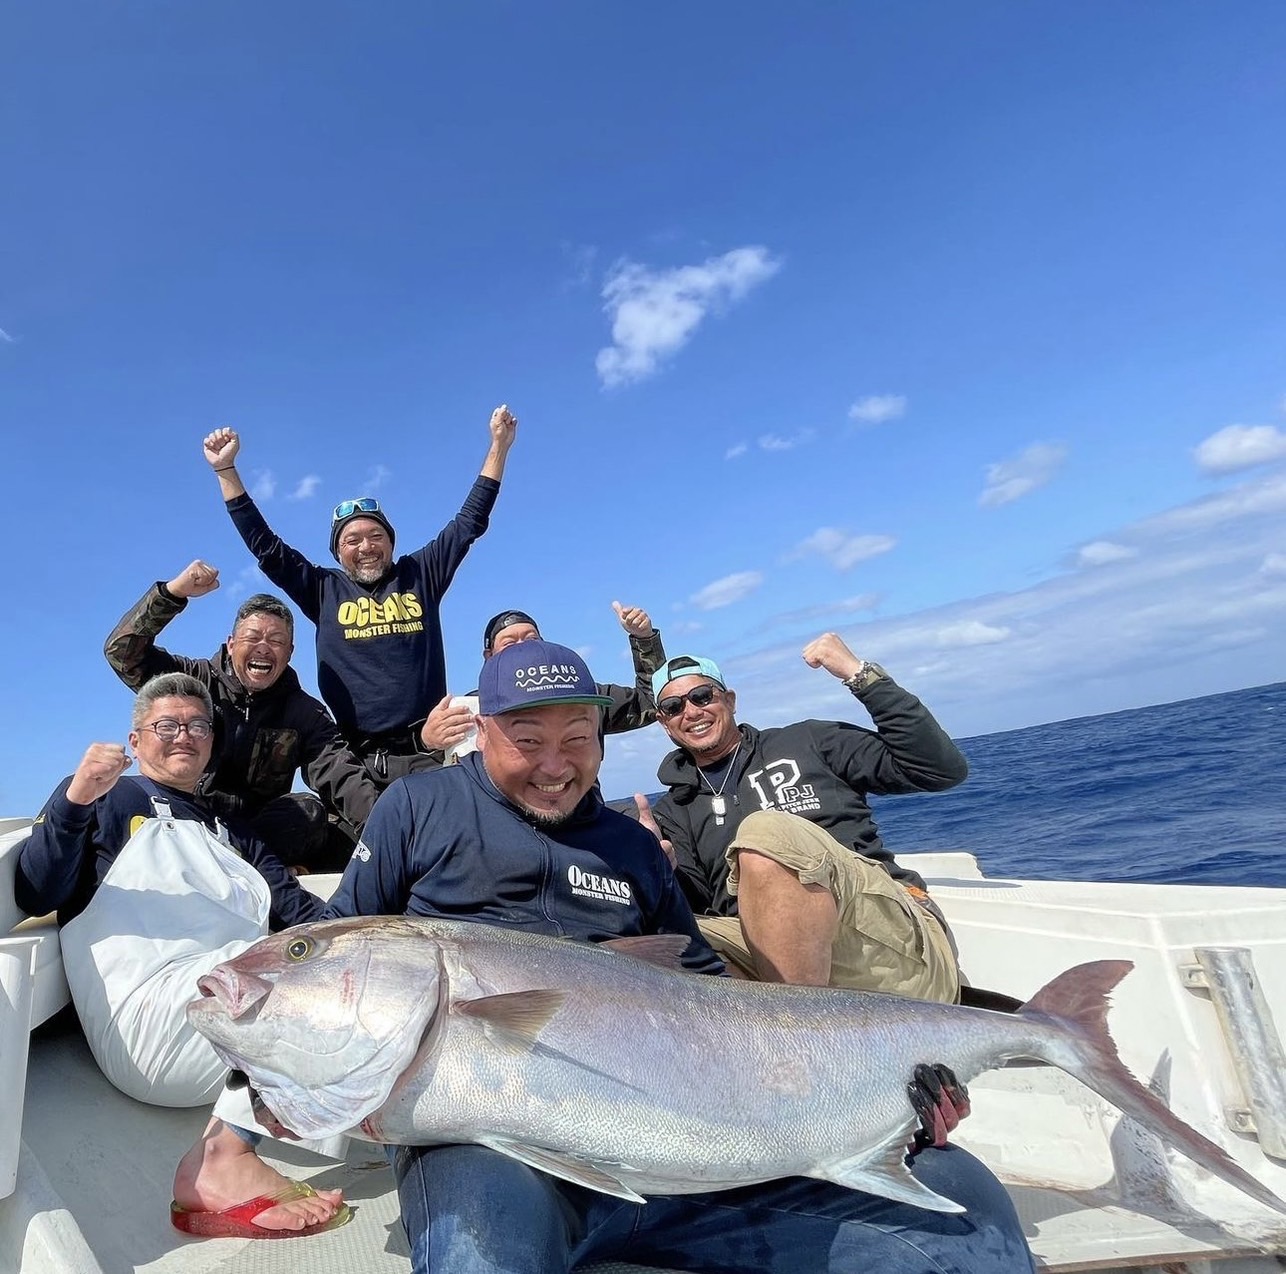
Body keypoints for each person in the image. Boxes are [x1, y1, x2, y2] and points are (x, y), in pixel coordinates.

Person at [299, 640, 1031, 1273]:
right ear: (483, 730)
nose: (556, 765)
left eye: (578, 738)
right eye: (527, 739)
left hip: (687, 1145)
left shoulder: (632, 848)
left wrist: (882, 1098)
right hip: (494, 1144)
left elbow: (711, 994)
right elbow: (337, 956)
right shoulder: (418, 807)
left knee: (962, 1214)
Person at [12, 672, 347, 1236]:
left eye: (197, 726)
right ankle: (223, 1159)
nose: (184, 736)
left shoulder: (232, 832)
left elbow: (303, 914)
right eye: (166, 725)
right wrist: (74, 800)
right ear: (137, 739)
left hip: (233, 1012)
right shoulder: (109, 798)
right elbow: (37, 890)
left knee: (369, 973)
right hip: (155, 1018)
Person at [641, 633, 967, 1003]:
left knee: (765, 834)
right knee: (647, 950)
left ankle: (804, 1034)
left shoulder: (809, 742)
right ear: (664, 723)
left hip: (888, 949)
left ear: (729, 700)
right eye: (673, 706)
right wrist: (661, 874)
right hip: (768, 967)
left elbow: (940, 770)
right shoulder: (673, 812)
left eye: (702, 696)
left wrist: (860, 675)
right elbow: (700, 907)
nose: (691, 711)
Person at [203, 404, 518, 787]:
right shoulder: (322, 589)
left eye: (376, 536)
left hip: (432, 750)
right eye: (352, 540)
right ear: (338, 553)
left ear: (390, 543)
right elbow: (266, 547)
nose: (366, 546)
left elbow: (469, 521)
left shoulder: (421, 574)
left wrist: (499, 445)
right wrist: (226, 471)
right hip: (360, 762)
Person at [104, 563, 379, 870]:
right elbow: (122, 653)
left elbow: (342, 775)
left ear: (289, 653)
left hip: (253, 839)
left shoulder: (306, 713)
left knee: (312, 814)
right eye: (253, 638)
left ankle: (243, 868)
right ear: (231, 644)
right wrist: (171, 594)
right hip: (185, 821)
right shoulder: (193, 681)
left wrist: (392, 832)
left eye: (275, 641)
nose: (264, 648)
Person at [419, 600, 668, 760]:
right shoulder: (469, 710)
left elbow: (652, 703)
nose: (521, 648)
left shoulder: (581, 696)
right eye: (508, 643)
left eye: (531, 639)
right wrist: (427, 742)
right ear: (489, 656)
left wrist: (643, 639)